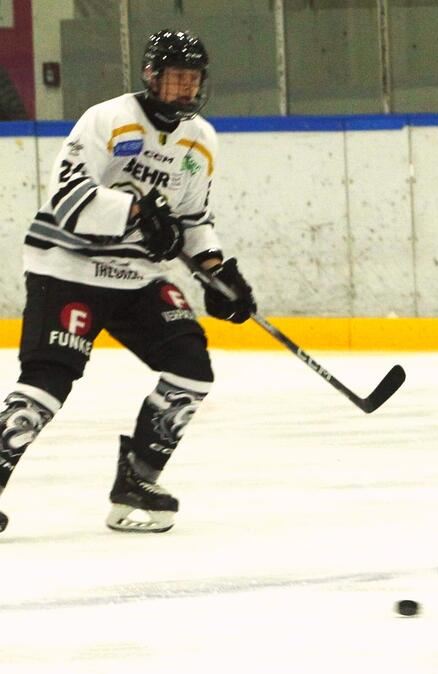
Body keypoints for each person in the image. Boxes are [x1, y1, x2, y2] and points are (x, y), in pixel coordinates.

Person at [0, 29, 256, 534]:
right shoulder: (108, 119)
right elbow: (67, 198)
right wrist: (135, 210)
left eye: (192, 80)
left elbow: (192, 219)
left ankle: (137, 480)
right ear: (151, 77)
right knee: (48, 383)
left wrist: (217, 272)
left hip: (136, 276)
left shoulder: (201, 139)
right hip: (68, 268)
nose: (184, 89)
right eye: (175, 78)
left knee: (191, 368)